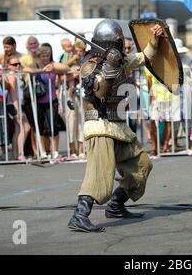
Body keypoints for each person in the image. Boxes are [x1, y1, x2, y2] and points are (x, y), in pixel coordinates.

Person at [67, 19, 166, 232]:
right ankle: (79, 214)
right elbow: (99, 92)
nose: (123, 45)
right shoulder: (89, 65)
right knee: (99, 173)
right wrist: (110, 66)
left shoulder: (120, 60)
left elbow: (144, 57)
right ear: (113, 43)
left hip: (119, 127)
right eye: (119, 41)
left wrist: (154, 40)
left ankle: (116, 205)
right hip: (100, 126)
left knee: (142, 165)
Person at [24, 44, 70, 160]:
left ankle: (55, 151)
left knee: (53, 126)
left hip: (52, 100)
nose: (45, 59)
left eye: (48, 56)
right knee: (39, 127)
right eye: (43, 56)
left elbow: (66, 68)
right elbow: (26, 69)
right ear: (39, 56)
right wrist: (41, 70)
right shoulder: (35, 64)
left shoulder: (52, 64)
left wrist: (53, 68)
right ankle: (43, 152)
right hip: (38, 101)